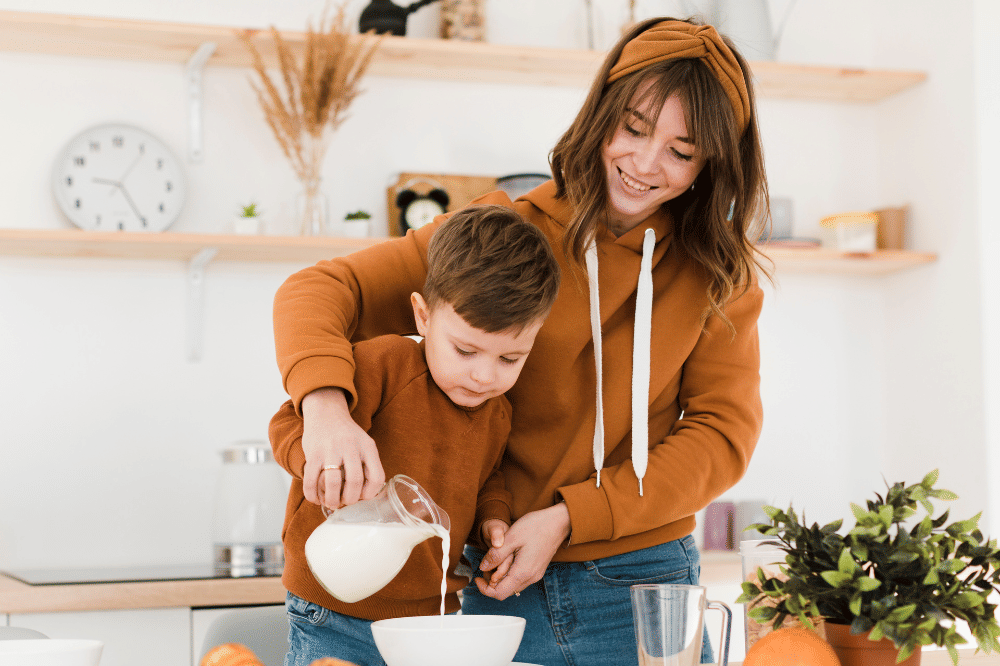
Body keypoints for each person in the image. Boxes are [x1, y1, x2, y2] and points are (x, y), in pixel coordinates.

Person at [271, 16, 771, 666]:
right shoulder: (500, 235)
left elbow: (721, 435)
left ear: (713, 162)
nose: (646, 165)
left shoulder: (719, 275)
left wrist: (568, 517)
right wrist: (325, 410)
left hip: (640, 582)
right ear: (601, 115)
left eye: (682, 151)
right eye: (635, 129)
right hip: (488, 586)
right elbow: (318, 290)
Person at [268, 204, 561, 666]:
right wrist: (320, 465)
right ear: (423, 317)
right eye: (465, 350)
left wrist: (493, 520)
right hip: (335, 611)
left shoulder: (497, 413)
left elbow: (489, 482)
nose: (484, 375)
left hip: (431, 621)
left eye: (510, 359)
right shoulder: (384, 366)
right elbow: (289, 424)